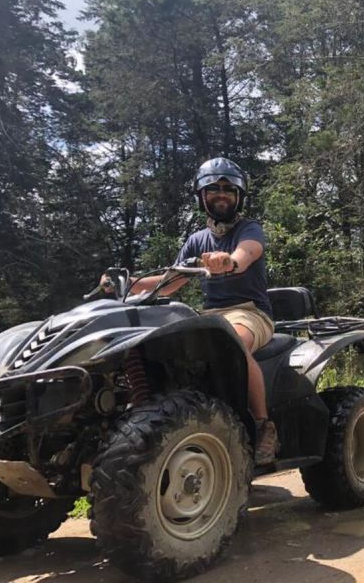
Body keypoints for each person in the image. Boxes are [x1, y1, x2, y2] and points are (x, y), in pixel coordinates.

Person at [108, 157, 279, 466]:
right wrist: (126, 283)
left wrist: (231, 261)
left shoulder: (248, 228)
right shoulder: (196, 241)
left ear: (239, 196)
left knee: (232, 342)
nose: (221, 194)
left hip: (249, 312)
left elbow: (249, 251)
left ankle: (263, 424)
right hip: (209, 316)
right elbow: (169, 283)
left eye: (229, 189)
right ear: (202, 195)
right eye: (213, 188)